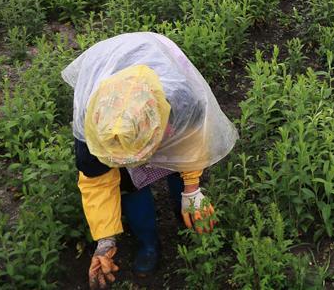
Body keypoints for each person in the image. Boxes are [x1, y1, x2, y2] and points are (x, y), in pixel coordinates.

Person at [64, 32, 238, 289]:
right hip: (106, 66)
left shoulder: (182, 99)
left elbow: (190, 145)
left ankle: (184, 215)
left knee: (176, 166)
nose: (139, 162)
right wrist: (105, 241)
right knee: (129, 185)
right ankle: (148, 243)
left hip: (152, 55)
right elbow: (97, 185)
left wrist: (192, 189)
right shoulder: (93, 134)